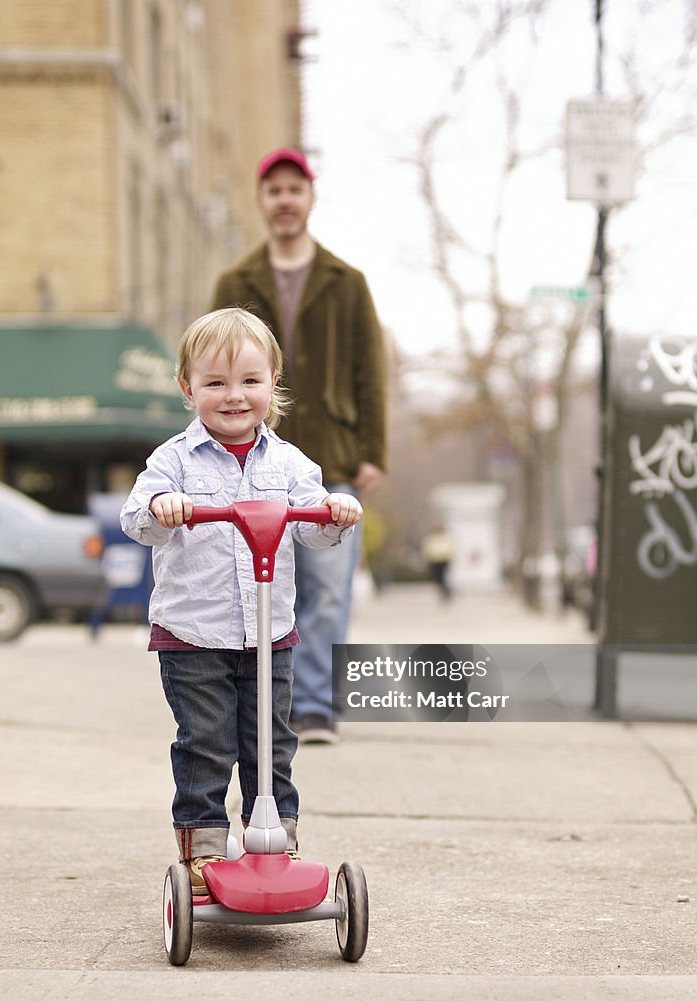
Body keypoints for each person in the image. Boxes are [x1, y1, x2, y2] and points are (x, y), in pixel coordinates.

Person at [120, 307, 362, 895]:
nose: (234, 396)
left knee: (271, 741)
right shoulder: (172, 460)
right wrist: (162, 508)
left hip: (268, 635)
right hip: (192, 634)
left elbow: (311, 524)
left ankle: (277, 836)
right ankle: (203, 847)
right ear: (188, 388)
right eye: (216, 383)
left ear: (272, 382)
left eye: (250, 381)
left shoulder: (288, 463)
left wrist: (334, 513)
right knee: (206, 741)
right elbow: (135, 518)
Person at [211, 147, 387, 745]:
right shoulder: (236, 283)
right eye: (274, 191)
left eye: (295, 189)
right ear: (261, 203)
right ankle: (265, 700)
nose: (285, 200)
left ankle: (313, 705)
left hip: (333, 456)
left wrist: (373, 450)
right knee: (262, 584)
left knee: (329, 586)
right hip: (255, 460)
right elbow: (216, 362)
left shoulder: (347, 282)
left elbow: (371, 370)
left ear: (310, 199)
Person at [421, 524, 455, 602]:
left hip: (444, 560)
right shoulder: (432, 538)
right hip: (435, 561)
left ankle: (446, 591)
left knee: (443, 577)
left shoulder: (446, 538)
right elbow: (427, 549)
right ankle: (444, 591)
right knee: (438, 578)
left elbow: (450, 548)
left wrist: (448, 556)